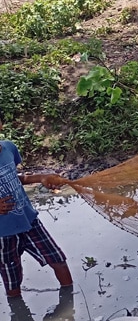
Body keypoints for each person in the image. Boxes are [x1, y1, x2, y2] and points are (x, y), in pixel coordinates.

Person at [0, 110, 73, 298]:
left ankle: (70, 303)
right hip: (3, 234)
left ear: (1, 124)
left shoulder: (8, 148)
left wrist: (41, 177)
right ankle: (19, 316)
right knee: (12, 277)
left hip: (29, 220)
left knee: (57, 259)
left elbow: (14, 178)